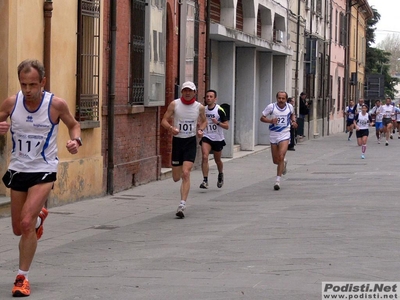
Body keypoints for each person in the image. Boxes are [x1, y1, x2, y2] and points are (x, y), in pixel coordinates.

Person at [0, 59, 82, 297]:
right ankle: (38, 219)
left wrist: (75, 141)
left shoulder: (55, 104)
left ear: (43, 82)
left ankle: (21, 278)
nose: (28, 90)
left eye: (33, 85)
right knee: (18, 228)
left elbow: (74, 125)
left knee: (25, 223)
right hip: (18, 169)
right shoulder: (12, 103)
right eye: (24, 84)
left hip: (44, 170)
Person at [161, 81, 207, 218]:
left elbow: (204, 121)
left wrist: (200, 130)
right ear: (181, 92)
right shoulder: (175, 104)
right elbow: (164, 120)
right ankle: (181, 183)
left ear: (194, 92)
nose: (187, 93)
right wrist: (171, 129)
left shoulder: (199, 107)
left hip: (190, 142)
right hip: (178, 142)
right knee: (176, 177)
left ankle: (182, 204)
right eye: (185, 90)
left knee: (186, 173)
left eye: (190, 91)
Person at [260, 91, 297, 191]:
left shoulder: (289, 107)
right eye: (279, 98)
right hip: (273, 134)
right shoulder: (271, 107)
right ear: (276, 98)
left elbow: (292, 115)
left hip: (285, 134)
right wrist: (270, 121)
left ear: (286, 99)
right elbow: (262, 118)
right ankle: (283, 162)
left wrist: (293, 121)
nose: (281, 100)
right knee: (276, 160)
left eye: (283, 98)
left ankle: (277, 181)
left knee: (281, 156)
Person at [199, 90, 229, 189]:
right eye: (207, 96)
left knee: (217, 160)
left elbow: (226, 126)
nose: (208, 98)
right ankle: (205, 180)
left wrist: (217, 123)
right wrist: (200, 129)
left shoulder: (219, 110)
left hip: (217, 138)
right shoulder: (203, 109)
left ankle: (220, 174)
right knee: (204, 156)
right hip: (207, 136)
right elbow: (201, 121)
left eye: (211, 97)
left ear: (215, 98)